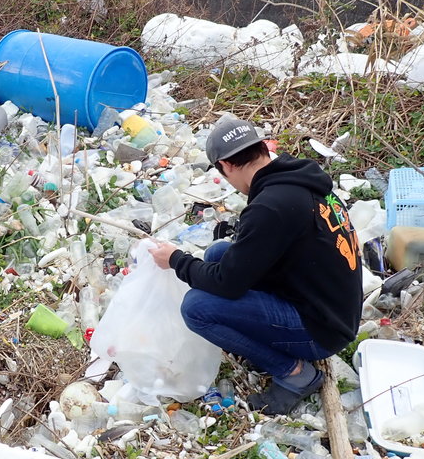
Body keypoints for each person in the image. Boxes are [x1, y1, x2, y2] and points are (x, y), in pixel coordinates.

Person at [148, 116, 362, 415]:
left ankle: (294, 372)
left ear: (226, 165)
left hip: (322, 331)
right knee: (219, 253)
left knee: (196, 307)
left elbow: (227, 283)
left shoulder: (270, 207)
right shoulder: (296, 179)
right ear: (262, 148)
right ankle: (270, 341)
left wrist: (176, 260)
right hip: (333, 307)